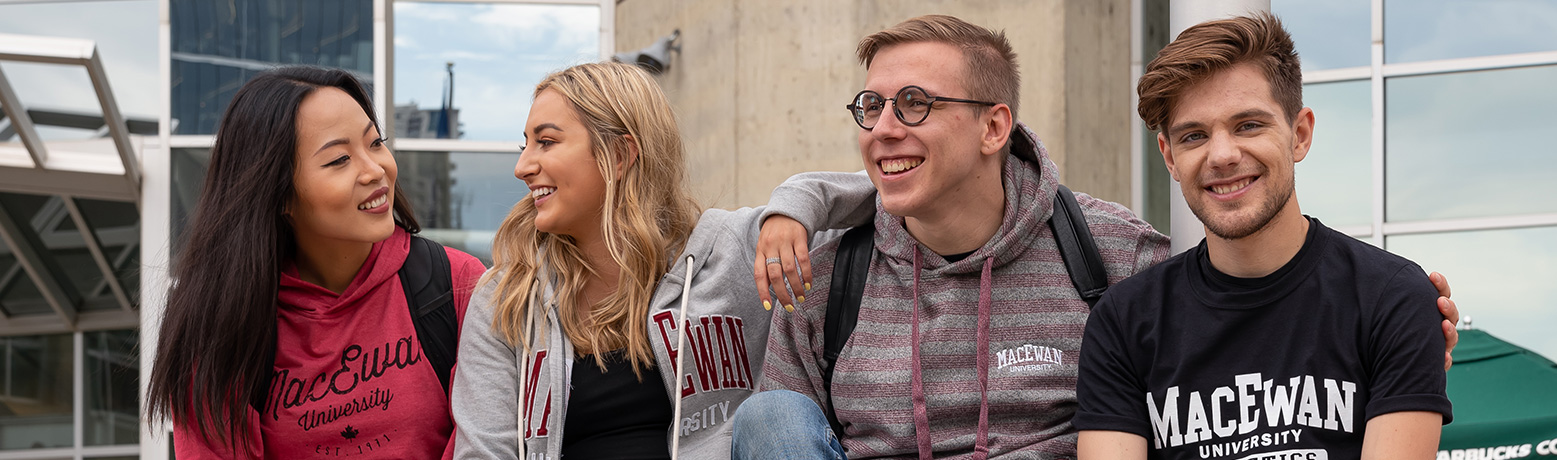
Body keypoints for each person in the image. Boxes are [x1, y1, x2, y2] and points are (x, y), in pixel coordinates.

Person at [733, 14, 1459, 460]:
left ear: (995, 127)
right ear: (1170, 155)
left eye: (916, 104)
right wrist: (792, 202)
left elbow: (1248, 321)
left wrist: (1400, 329)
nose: (885, 126)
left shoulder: (1115, 259)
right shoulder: (823, 277)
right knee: (768, 417)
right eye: (871, 106)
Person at [448, 61, 868, 459]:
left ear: (618, 153)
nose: (523, 166)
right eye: (526, 145)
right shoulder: (507, 298)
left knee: (776, 414)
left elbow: (894, 190)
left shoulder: (731, 250)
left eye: (547, 141)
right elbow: (485, 450)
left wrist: (793, 207)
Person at [1074, 14, 1450, 459]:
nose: (1223, 155)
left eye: (1248, 125)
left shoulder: (1392, 299)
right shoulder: (1125, 321)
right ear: (1169, 157)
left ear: (1300, 134)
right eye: (1194, 136)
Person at [146, 66, 487, 459]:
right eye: (340, 159)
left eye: (376, 143)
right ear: (280, 195)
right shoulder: (218, 324)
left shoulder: (456, 285)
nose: (376, 170)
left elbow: (486, 444)